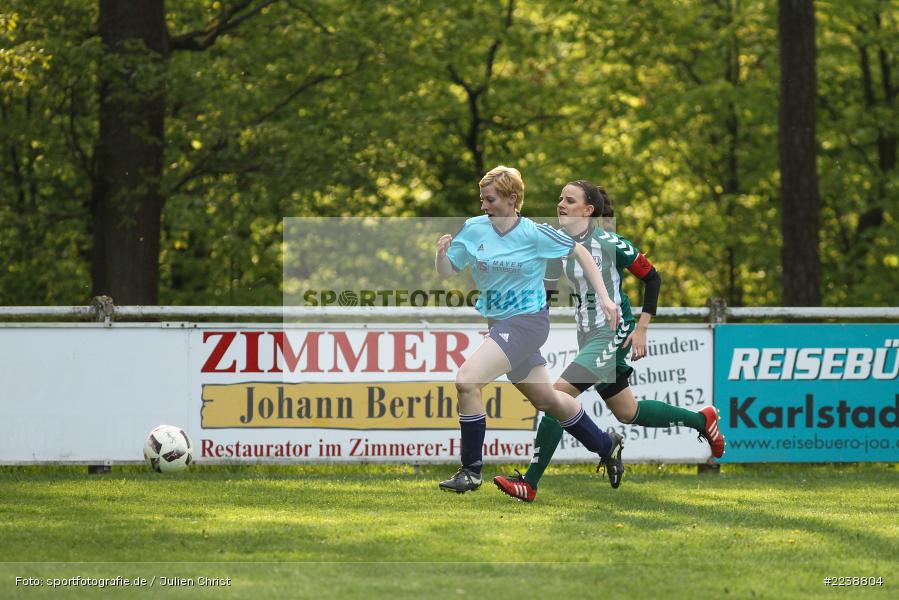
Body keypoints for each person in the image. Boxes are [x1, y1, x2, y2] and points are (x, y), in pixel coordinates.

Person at [493, 180, 726, 502]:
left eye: (569, 200)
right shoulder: (555, 246)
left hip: (611, 333)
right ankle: (702, 420)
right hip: (588, 335)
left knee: (556, 397)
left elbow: (652, 277)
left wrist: (642, 328)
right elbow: (543, 296)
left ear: (588, 210)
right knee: (627, 411)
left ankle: (529, 483)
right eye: (559, 198)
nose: (560, 204)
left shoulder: (610, 242)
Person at [435, 166, 626, 493]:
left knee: (467, 381)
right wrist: (440, 254)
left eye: (490, 199)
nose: (484, 206)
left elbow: (580, 252)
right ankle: (606, 444)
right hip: (501, 324)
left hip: (528, 324)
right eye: (482, 199)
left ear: (513, 199)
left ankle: (470, 470)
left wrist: (606, 299)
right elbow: (447, 272)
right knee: (547, 400)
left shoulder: (535, 232)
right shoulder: (474, 228)